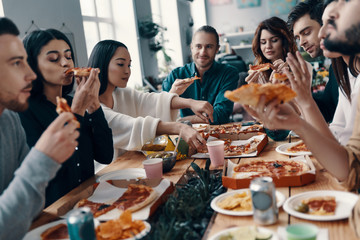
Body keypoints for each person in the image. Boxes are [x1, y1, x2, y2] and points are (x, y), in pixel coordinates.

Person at [245, 0, 360, 236]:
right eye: (298, 37)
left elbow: (349, 169)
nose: (316, 37)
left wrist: (299, 109)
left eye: (333, 21)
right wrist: (299, 109)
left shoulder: (311, 68)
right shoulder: (345, 73)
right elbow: (337, 140)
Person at [0, 17, 79, 240]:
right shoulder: (24, 114)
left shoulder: (9, 120)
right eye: (16, 63)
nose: (32, 74)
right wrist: (42, 158)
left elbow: (34, 208)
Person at [19, 29, 113, 206]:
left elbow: (105, 155)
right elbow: (53, 171)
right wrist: (77, 111)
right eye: (54, 58)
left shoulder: (73, 102)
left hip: (90, 202)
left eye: (69, 56)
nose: (65, 63)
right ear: (32, 66)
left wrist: (93, 105)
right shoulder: (24, 112)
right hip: (53, 214)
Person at [87, 40, 213, 159]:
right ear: (101, 66)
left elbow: (154, 100)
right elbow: (132, 126)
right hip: (107, 174)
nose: (127, 71)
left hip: (132, 164)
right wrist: (180, 128)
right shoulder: (92, 107)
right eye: (120, 64)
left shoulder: (123, 93)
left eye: (129, 65)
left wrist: (190, 103)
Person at [162, 25, 239, 125]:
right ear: (191, 47)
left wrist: (182, 121)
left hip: (218, 136)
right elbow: (162, 111)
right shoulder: (175, 75)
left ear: (217, 49)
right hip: (181, 136)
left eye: (209, 47)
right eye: (198, 46)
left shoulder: (229, 73)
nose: (203, 52)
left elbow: (221, 115)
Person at [287, 0, 339, 123]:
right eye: (298, 38)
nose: (301, 43)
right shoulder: (335, 67)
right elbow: (328, 110)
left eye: (306, 33)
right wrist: (298, 94)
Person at [245, 16, 298, 84]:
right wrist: (254, 89)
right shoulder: (259, 75)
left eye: (274, 40)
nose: (268, 46)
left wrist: (289, 78)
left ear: (285, 41)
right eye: (263, 42)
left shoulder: (301, 67)